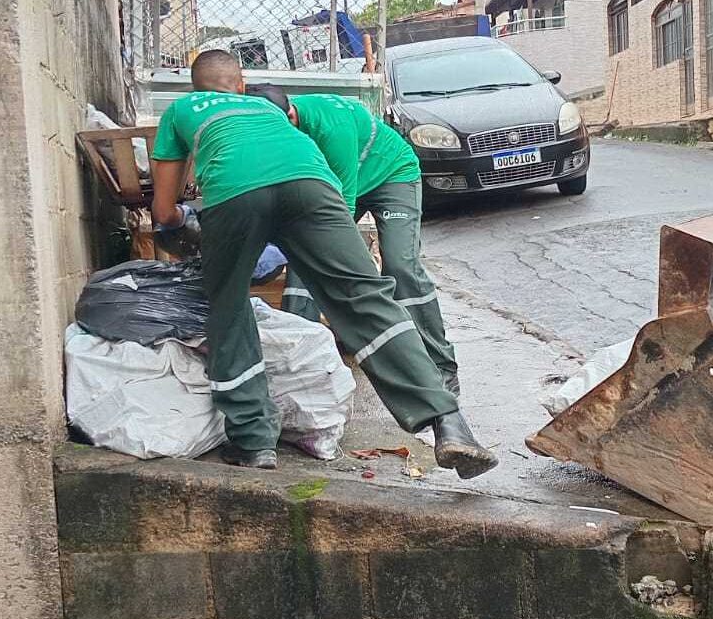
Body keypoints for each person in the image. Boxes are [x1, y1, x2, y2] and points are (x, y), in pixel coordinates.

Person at [150, 50, 497, 479]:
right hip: (313, 184)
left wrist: (187, 225)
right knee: (366, 298)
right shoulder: (267, 107)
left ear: (193, 86)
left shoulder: (181, 110)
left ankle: (254, 441)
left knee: (228, 305)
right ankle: (449, 422)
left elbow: (164, 212)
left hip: (236, 194)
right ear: (240, 84)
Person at [246, 85, 460, 396]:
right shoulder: (269, 126)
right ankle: (297, 363)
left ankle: (441, 366)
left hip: (390, 176)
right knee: (304, 254)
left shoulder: (331, 126)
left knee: (401, 266)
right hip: (338, 183)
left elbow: (339, 217)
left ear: (290, 116)